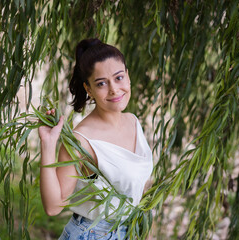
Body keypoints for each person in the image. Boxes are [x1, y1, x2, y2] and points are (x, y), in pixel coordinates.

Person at [38, 38, 153, 240]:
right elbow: (53, 206)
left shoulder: (133, 121)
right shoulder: (82, 140)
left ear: (128, 76)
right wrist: (48, 145)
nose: (114, 90)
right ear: (89, 89)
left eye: (118, 78)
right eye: (101, 83)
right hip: (92, 234)